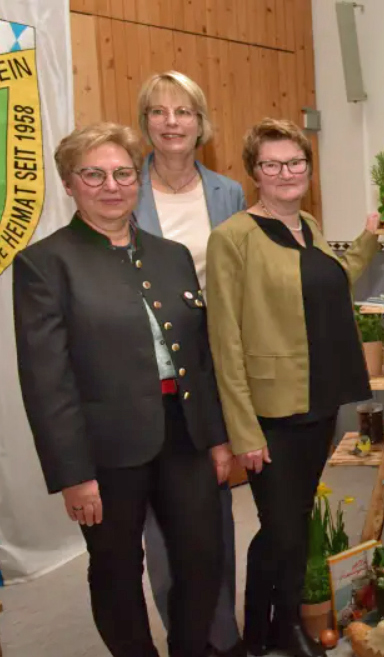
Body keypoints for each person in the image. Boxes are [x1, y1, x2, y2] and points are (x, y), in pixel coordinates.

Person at [13, 123, 228, 657]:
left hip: (184, 434)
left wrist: (218, 438)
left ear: (139, 178)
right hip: (105, 449)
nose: (111, 185)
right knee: (116, 569)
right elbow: (46, 380)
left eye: (123, 173)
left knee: (202, 556)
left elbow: (199, 358)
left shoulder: (171, 254)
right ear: (70, 183)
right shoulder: (45, 264)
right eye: (94, 174)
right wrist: (73, 473)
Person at [206, 118, 380, 657]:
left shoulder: (307, 223)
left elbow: (326, 284)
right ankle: (283, 633)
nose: (287, 173)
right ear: (254, 171)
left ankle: (259, 632)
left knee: (291, 522)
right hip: (270, 412)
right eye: (273, 164)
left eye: (296, 163)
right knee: (283, 530)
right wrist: (242, 430)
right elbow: (224, 340)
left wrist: (370, 240)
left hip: (318, 399)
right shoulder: (232, 237)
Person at [135, 70, 246, 657]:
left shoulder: (227, 193)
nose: (172, 122)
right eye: (159, 111)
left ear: (201, 123)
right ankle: (184, 635)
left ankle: (222, 633)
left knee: (215, 503)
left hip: (210, 368)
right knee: (160, 516)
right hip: (146, 371)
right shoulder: (125, 190)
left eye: (183, 111)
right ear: (146, 122)